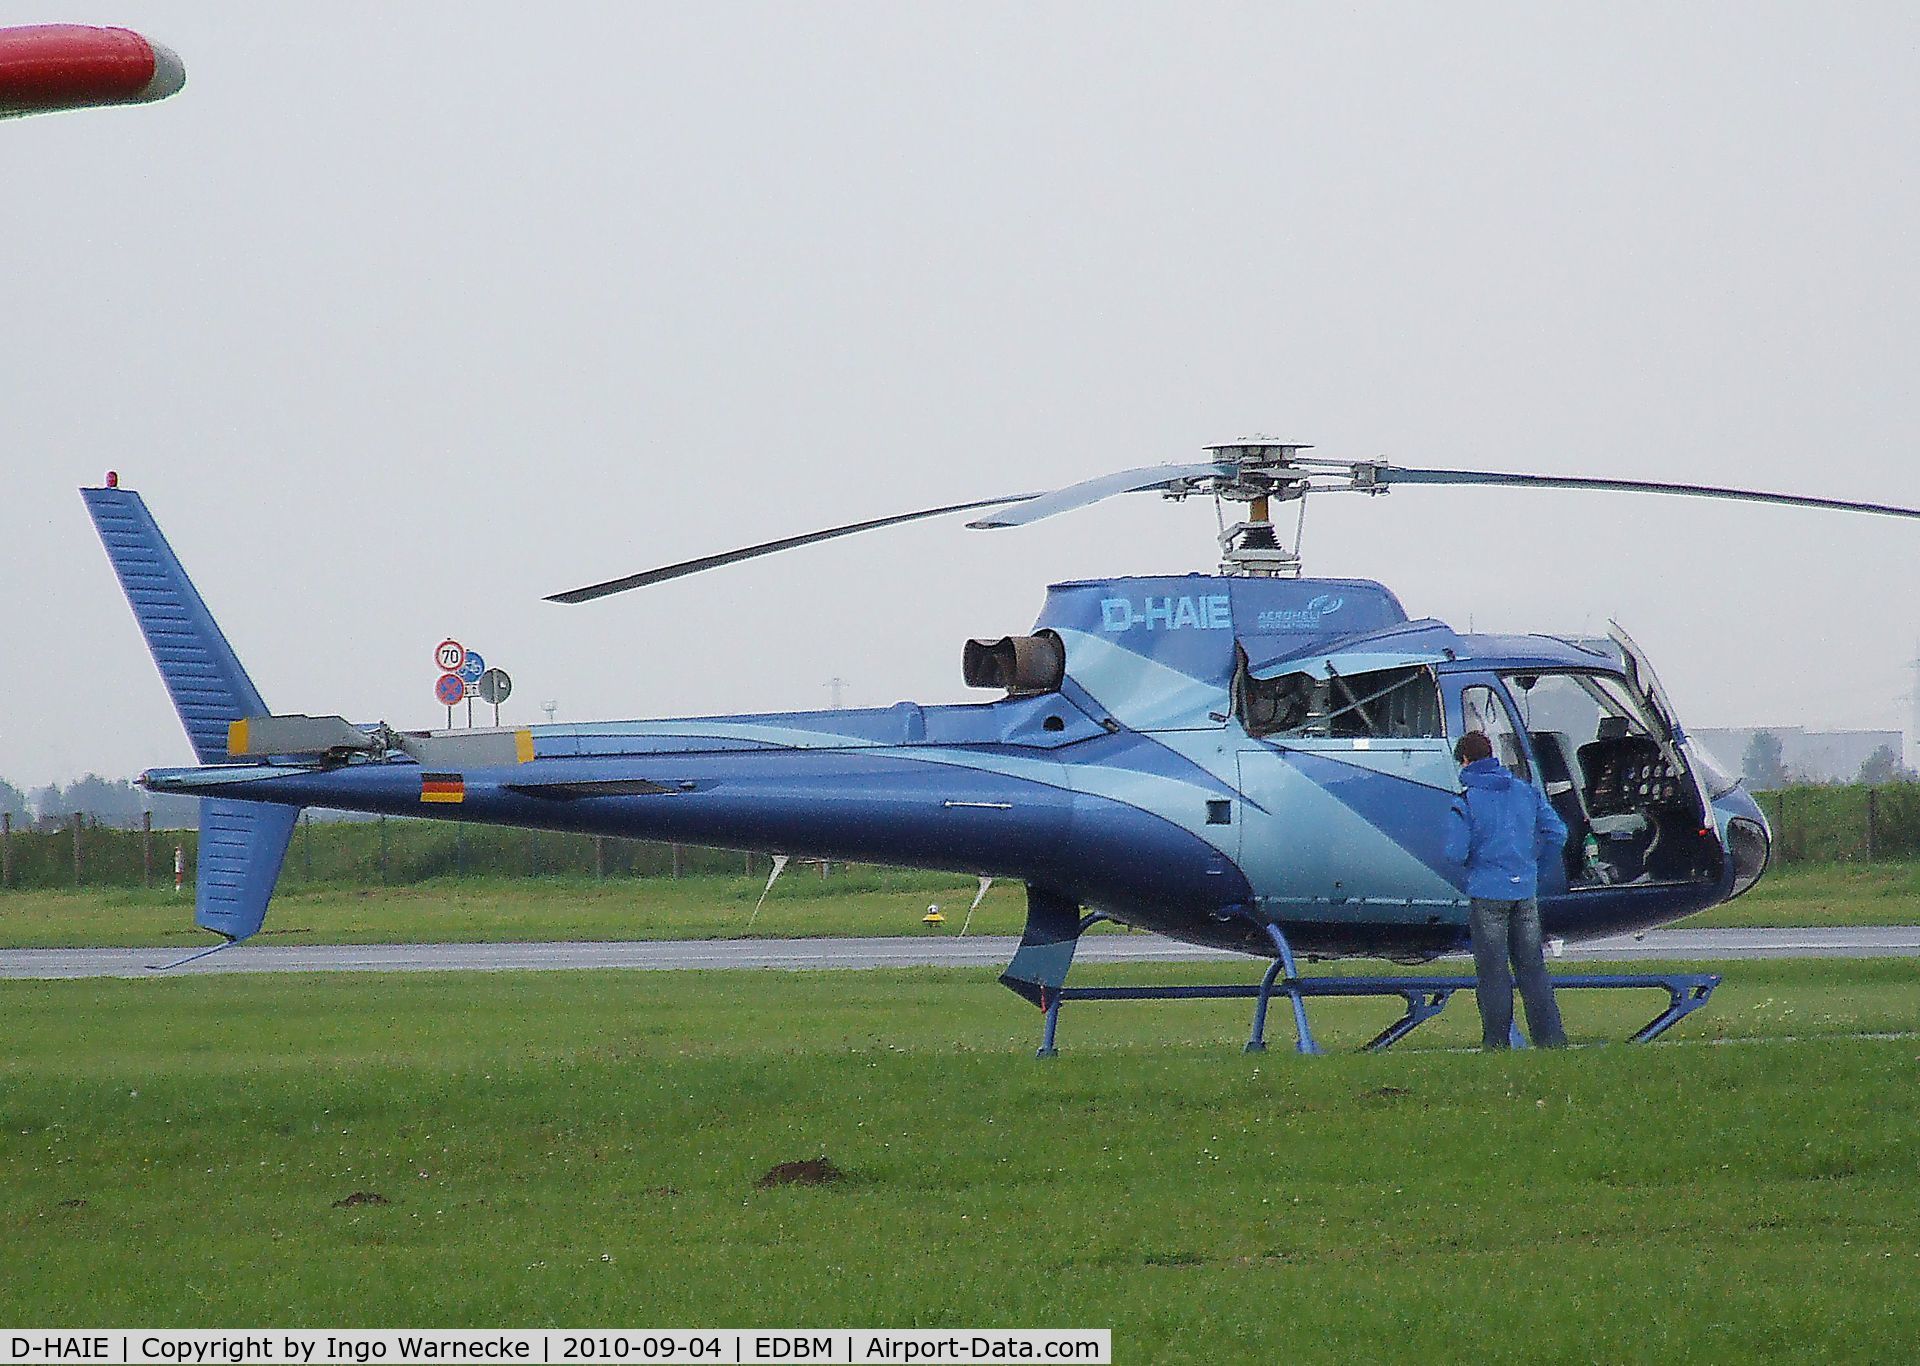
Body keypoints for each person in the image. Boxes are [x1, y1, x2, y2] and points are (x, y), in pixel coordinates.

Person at [1444, 730, 1570, 1049]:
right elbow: (1558, 833)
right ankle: (1551, 1041)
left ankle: (1496, 1043)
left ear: (1465, 760)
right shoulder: (1525, 791)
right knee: (1533, 969)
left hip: (1487, 893)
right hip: (1524, 890)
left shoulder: (1467, 800)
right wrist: (1535, 870)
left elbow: (1454, 852)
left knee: (1493, 972)